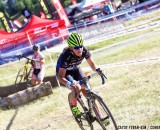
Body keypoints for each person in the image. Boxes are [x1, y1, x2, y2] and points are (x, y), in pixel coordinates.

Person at [56, 33, 103, 117]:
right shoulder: (66, 56)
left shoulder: (84, 50)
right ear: (71, 48)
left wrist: (97, 69)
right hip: (65, 73)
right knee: (77, 88)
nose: (80, 49)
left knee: (87, 88)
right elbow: (60, 77)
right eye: (76, 47)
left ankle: (100, 116)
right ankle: (73, 105)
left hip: (76, 69)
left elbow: (92, 65)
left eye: (81, 46)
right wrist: (69, 83)